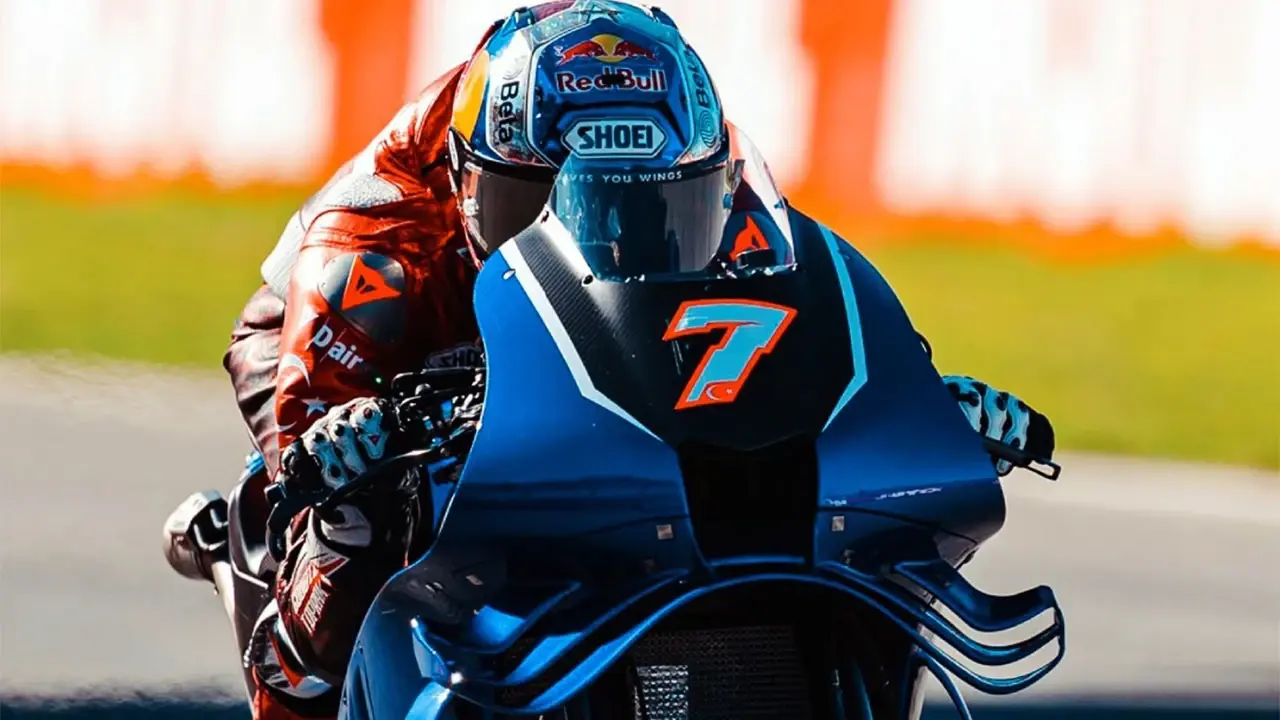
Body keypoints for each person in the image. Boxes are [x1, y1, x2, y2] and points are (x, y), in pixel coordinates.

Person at [162, 2, 1054, 719]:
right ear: (469, 184)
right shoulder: (376, 243)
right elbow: (311, 441)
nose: (612, 237)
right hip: (388, 340)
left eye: (653, 208)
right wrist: (340, 449)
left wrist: (911, 394)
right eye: (542, 205)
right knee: (351, 516)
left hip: (600, 338)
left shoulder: (725, 183)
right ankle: (296, 685)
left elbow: (798, 322)